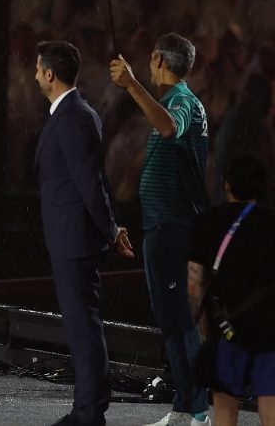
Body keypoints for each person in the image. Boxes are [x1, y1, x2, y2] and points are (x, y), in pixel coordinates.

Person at [110, 33, 210, 426]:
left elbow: (169, 128)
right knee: (169, 317)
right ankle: (184, 406)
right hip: (161, 225)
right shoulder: (169, 101)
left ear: (157, 60)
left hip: (174, 225)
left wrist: (131, 84)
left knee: (180, 318)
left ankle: (198, 408)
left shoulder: (182, 101)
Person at [34, 41, 134, 426]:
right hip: (67, 235)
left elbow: (90, 182)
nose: (35, 74)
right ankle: (86, 407)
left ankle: (90, 412)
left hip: (75, 238)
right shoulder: (69, 113)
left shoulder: (75, 115)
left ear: (50, 74)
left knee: (83, 327)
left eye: (38, 68)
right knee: (80, 326)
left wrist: (109, 229)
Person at [188, 156, 275, 426]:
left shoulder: (206, 222)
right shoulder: (272, 222)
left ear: (227, 185)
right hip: (270, 328)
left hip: (225, 326)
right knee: (271, 404)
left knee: (224, 406)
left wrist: (204, 324)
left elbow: (193, 283)